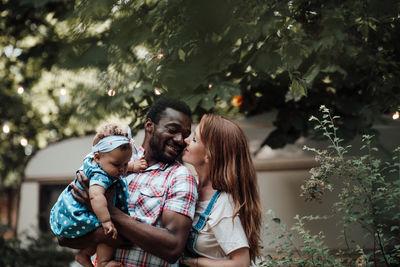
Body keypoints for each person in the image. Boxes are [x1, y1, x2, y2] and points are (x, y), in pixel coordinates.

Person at [58, 97, 198, 267]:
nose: (180, 139)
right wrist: (101, 235)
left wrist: (109, 210)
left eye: (185, 135)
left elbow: (173, 248)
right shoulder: (110, 161)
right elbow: (64, 237)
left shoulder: (180, 177)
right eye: (173, 130)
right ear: (149, 126)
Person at [50, 123, 147, 267]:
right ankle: (103, 262)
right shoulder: (99, 175)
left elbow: (119, 162)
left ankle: (84, 255)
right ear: (97, 157)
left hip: (75, 212)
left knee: (101, 230)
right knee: (109, 232)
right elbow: (96, 196)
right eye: (116, 165)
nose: (122, 170)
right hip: (79, 213)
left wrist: (132, 166)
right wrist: (106, 220)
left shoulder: (101, 159)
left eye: (125, 164)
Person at [180, 114, 262, 267]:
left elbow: (241, 263)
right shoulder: (192, 186)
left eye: (194, 139)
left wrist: (195, 262)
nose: (186, 140)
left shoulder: (223, 203)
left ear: (209, 155)